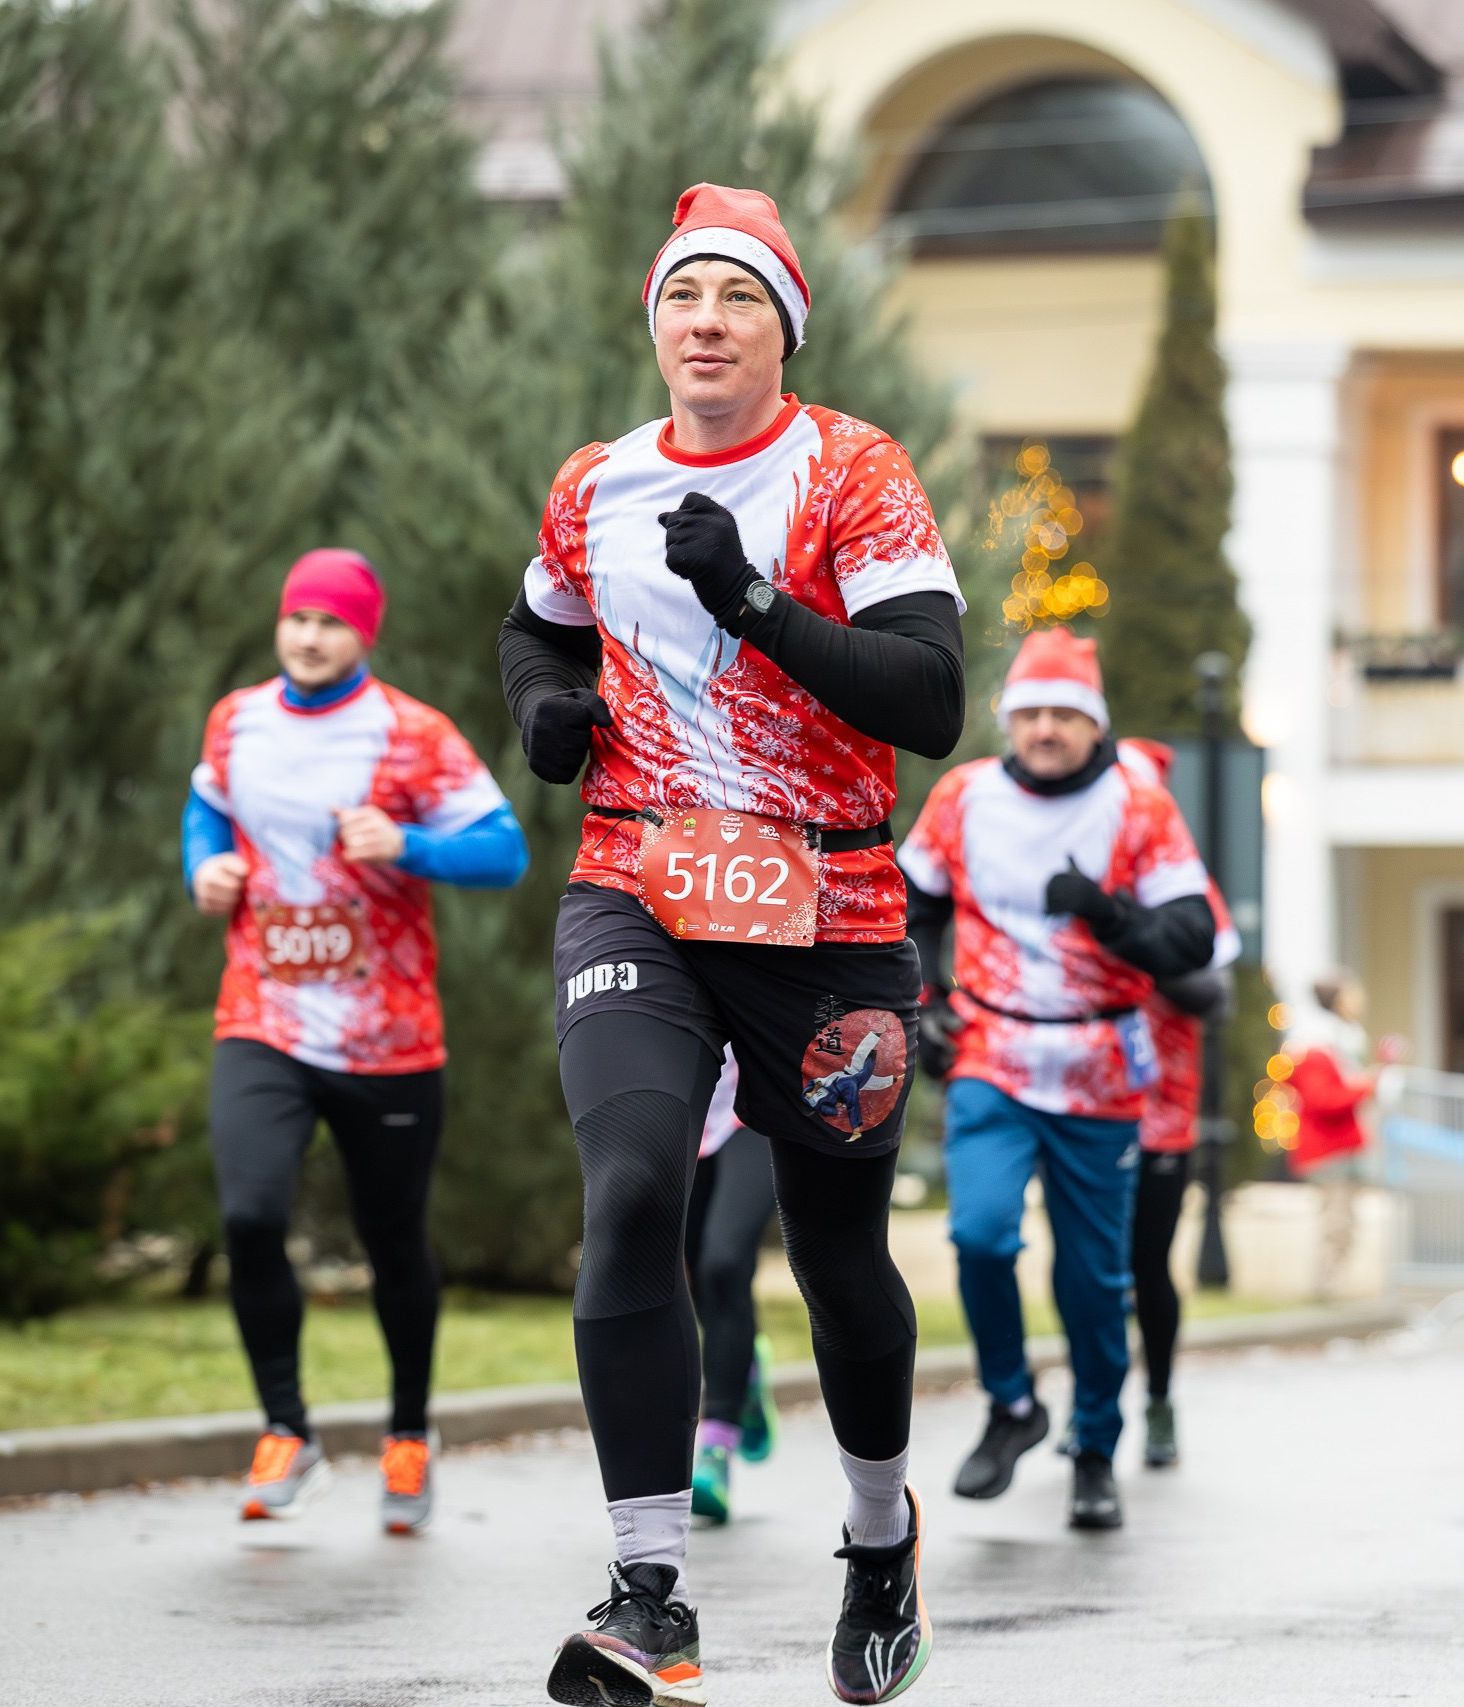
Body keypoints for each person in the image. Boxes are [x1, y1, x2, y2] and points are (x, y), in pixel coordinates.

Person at [497, 182, 964, 1707]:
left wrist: (752, 599)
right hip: (637, 883)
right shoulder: (599, 479)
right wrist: (547, 710)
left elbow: (930, 697)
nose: (705, 323)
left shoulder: (855, 473)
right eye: (683, 299)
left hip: (827, 916)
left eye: (738, 300)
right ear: (656, 325)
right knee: (633, 1188)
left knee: (834, 1253)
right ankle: (649, 1593)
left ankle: (882, 1536)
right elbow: (540, 623)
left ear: (784, 331)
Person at [184, 548, 529, 1534]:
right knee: (250, 1216)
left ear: (362, 633)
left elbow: (504, 851)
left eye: (331, 622)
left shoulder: (412, 735)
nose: (309, 636)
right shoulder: (237, 718)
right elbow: (206, 806)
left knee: (393, 1241)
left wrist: (407, 845)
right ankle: (286, 1430)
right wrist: (205, 867)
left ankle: (410, 1434)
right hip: (265, 1016)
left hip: (389, 1039)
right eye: (297, 617)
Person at [900, 628, 1220, 1532]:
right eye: (1030, 712)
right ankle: (1012, 1405)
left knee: (1093, 1278)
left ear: (1094, 724)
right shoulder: (963, 796)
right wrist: (925, 997)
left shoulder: (1139, 803)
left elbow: (1194, 940)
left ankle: (1093, 1445)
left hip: (1098, 1070)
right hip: (993, 1059)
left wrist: (1109, 912)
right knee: (981, 1233)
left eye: (1065, 715)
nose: (1045, 729)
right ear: (1009, 721)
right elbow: (913, 899)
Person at [1115, 737, 1240, 1468]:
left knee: (1147, 1265)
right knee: (1087, 1268)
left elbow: (1214, 993)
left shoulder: (1183, 889)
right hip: (1077, 1102)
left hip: (1160, 1113)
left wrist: (1132, 932)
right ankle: (1092, 1407)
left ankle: (1158, 1398)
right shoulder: (1070, 870)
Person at [687, 1055, 781, 1523]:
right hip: (684, 1103)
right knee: (696, 1275)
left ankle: (715, 1451)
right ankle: (744, 1370)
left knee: (724, 1264)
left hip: (759, 1103)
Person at [1284, 971, 1377, 1300]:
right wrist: (1366, 1087)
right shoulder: (1316, 1049)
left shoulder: (1345, 1043)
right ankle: (1325, 1289)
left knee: (1345, 1222)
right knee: (1336, 1223)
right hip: (1327, 1149)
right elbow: (1322, 1100)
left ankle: (1332, 1287)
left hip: (1343, 1147)